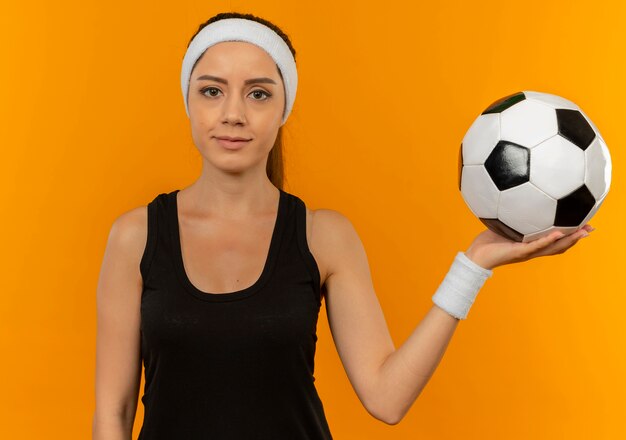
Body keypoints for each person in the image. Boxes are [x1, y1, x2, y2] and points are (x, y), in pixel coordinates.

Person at [92, 11, 594, 440]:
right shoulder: (135, 236)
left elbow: (387, 398)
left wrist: (473, 265)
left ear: (284, 107)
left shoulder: (324, 236)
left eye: (259, 94)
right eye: (212, 90)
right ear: (188, 100)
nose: (233, 113)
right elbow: (112, 415)